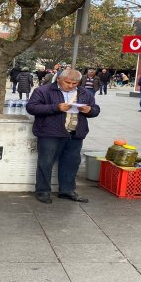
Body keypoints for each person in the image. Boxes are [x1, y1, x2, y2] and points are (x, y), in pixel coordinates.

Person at [26, 68, 100, 204]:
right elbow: (31, 107)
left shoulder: (84, 92)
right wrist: (56, 107)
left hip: (75, 133)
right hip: (50, 133)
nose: (71, 86)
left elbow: (95, 109)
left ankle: (67, 191)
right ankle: (43, 191)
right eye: (68, 82)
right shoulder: (43, 90)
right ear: (59, 79)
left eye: (75, 83)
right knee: (46, 162)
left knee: (71, 163)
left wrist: (90, 110)